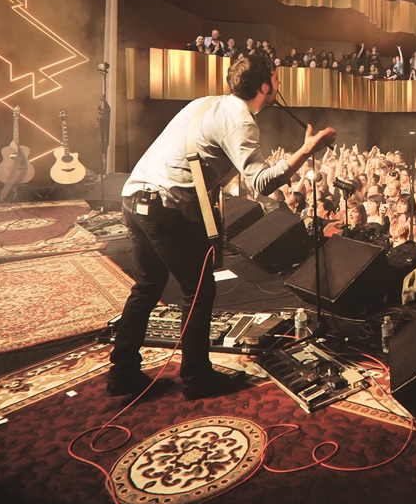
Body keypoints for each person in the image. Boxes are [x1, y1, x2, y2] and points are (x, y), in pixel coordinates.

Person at [108, 53, 335, 400]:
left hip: (135, 197)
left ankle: (122, 373)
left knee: (148, 285)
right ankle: (197, 378)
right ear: (263, 86)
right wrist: (305, 150)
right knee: (198, 292)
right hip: (165, 206)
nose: (279, 84)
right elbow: (260, 183)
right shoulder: (240, 121)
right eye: (275, 79)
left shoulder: (206, 103)